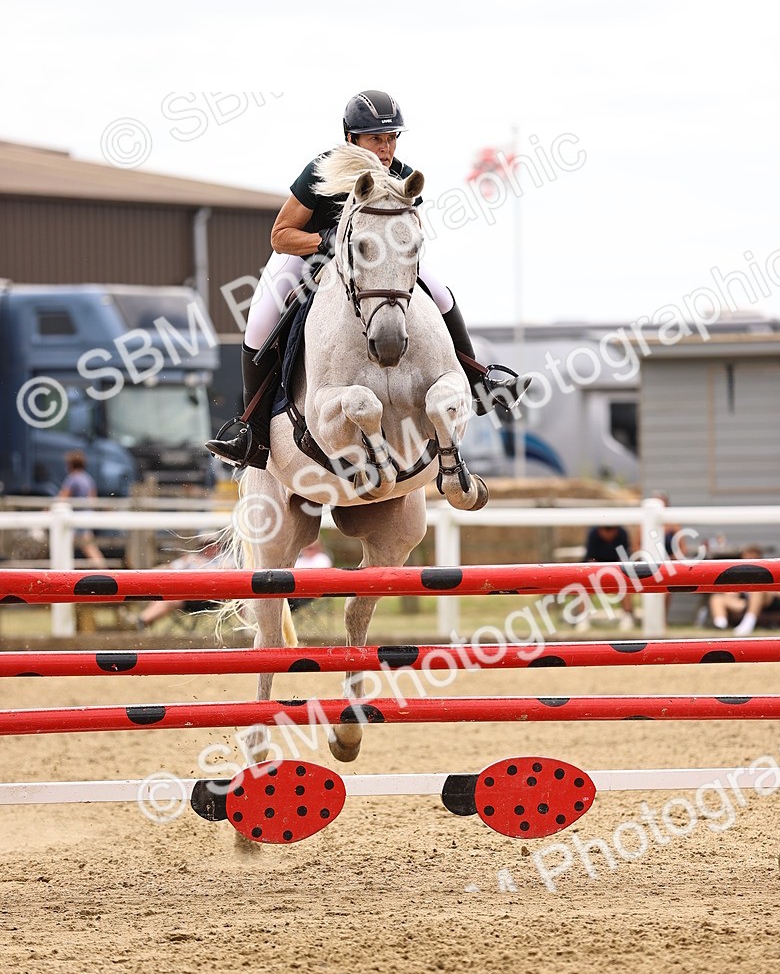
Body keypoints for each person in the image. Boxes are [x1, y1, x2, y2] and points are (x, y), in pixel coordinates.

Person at [207, 89, 529, 469]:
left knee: (440, 293)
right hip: (311, 257)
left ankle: (479, 381)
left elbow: (412, 231)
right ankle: (252, 431)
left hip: (379, 263)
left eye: (391, 138)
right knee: (260, 319)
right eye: (377, 138)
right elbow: (280, 234)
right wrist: (326, 240)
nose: (386, 147)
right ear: (351, 138)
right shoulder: (321, 171)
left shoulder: (402, 176)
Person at [136, 541, 223, 630]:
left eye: (213, 544)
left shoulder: (225, 558)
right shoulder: (191, 558)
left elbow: (222, 573)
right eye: (207, 544)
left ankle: (140, 621)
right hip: (187, 595)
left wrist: (200, 565)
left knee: (169, 600)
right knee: (163, 595)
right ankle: (141, 620)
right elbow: (169, 567)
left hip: (210, 599)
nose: (210, 547)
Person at [708, 545, 780, 636]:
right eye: (747, 556)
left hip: (769, 602)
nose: (749, 558)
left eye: (753, 556)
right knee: (717, 598)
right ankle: (720, 626)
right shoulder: (739, 574)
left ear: (759, 557)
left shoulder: (769, 570)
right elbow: (733, 593)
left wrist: (768, 590)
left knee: (757, 590)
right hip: (747, 603)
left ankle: (748, 625)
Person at [57, 451, 106, 567]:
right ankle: (103, 569)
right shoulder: (88, 479)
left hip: (76, 518)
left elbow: (63, 497)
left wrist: (48, 509)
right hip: (87, 516)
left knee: (72, 545)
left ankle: (103, 570)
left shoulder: (72, 479)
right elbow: (93, 499)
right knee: (87, 546)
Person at [583, 524, 635, 629]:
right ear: (600, 530)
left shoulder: (622, 534)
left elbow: (625, 559)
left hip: (618, 571)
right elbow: (590, 559)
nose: (608, 535)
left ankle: (627, 616)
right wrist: (598, 573)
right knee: (584, 584)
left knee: (626, 583)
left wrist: (615, 573)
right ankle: (583, 618)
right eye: (605, 531)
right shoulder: (593, 534)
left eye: (611, 531)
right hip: (595, 571)